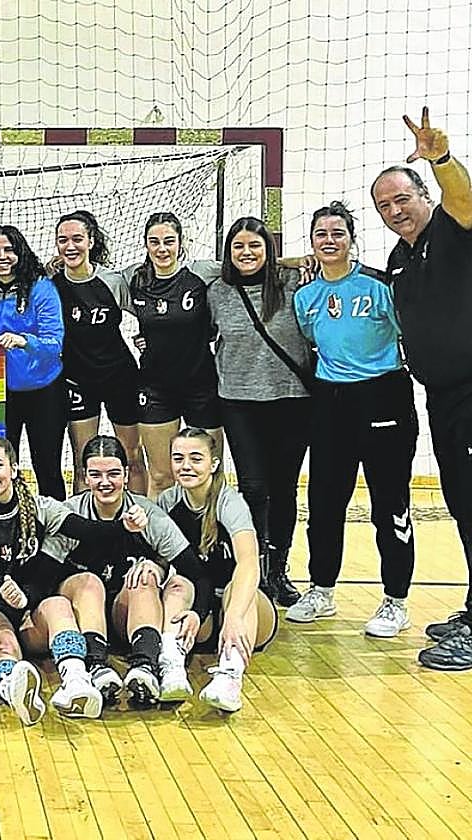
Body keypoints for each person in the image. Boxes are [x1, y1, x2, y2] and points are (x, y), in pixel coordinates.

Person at [0, 434, 144, 724]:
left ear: (14, 469)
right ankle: (10, 688)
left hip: (28, 609)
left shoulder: (41, 508)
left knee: (58, 604)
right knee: (6, 646)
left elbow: (87, 529)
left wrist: (125, 526)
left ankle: (76, 682)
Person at [288, 201, 417, 637]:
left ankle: (395, 601)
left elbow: (408, 334)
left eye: (337, 233)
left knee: (389, 505)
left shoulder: (381, 285)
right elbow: (312, 342)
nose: (329, 240)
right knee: (324, 504)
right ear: (311, 241)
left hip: (383, 398)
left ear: (351, 238)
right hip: (330, 402)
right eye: (321, 233)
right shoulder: (306, 297)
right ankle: (321, 589)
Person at [374, 107, 472, 669]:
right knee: (462, 502)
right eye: (385, 206)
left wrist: (440, 157)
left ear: (424, 194)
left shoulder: (453, 227)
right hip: (442, 396)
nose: (395, 211)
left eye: (402, 199)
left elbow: (461, 197)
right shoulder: (400, 257)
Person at [209, 217, 312, 607]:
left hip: (291, 400)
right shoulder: (216, 291)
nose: (246, 253)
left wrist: (287, 263)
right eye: (238, 247)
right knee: (253, 487)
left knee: (283, 488)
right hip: (238, 401)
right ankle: (252, 567)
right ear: (228, 252)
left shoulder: (290, 284)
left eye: (255, 245)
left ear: (269, 249)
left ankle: (278, 569)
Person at [58, 435, 199, 707]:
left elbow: (194, 571)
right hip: (79, 610)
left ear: (126, 474)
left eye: (113, 473)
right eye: (95, 475)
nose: (105, 482)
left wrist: (158, 567)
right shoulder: (70, 514)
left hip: (124, 614)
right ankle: (96, 667)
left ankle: (144, 667)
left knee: (144, 577)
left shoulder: (149, 515)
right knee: (89, 583)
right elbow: (42, 573)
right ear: (84, 477)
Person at [155, 428, 278, 712]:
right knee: (178, 584)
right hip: (202, 612)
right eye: (178, 458)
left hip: (244, 611)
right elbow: (160, 561)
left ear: (214, 464)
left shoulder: (230, 502)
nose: (186, 466)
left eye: (196, 458)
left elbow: (249, 563)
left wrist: (233, 616)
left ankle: (230, 677)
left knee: (236, 588)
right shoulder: (167, 503)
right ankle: (171, 667)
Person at [128, 213, 224, 497]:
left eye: (169, 241)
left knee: (207, 474)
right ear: (146, 245)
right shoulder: (135, 279)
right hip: (155, 388)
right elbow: (93, 278)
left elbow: (247, 264)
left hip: (201, 385)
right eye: (154, 242)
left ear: (181, 243)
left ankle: (211, 538)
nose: (162, 249)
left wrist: (294, 261)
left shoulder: (201, 273)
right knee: (160, 476)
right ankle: (158, 540)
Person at [52, 211, 147, 494]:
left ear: (91, 241)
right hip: (77, 381)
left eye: (78, 239)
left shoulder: (112, 282)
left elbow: (146, 313)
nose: (71, 246)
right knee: (83, 462)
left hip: (120, 377)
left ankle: (141, 527)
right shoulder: (52, 287)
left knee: (131, 457)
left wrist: (149, 339)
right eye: (63, 240)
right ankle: (85, 532)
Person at [0, 224, 67, 499]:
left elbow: (55, 344)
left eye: (9, 250)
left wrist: (24, 340)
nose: (2, 256)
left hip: (45, 389)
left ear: (21, 253)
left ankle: (57, 532)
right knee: (0, 467)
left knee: (47, 467)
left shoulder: (41, 288)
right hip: (3, 393)